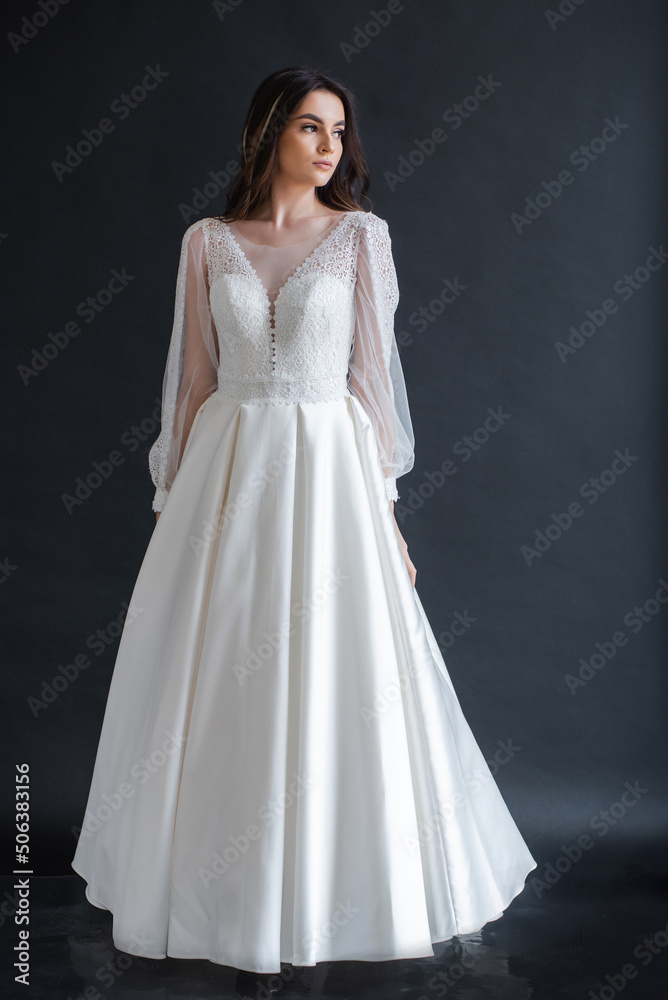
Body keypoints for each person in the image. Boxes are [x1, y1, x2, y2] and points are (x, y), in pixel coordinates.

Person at [71, 65, 536, 978]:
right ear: (269, 133)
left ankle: (332, 889)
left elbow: (371, 385)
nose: (331, 149)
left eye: (338, 133)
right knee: (220, 676)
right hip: (226, 477)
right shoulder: (206, 242)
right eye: (311, 129)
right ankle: (227, 894)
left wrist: (388, 516)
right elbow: (194, 385)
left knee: (337, 670)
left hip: (330, 479)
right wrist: (171, 503)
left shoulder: (362, 239)